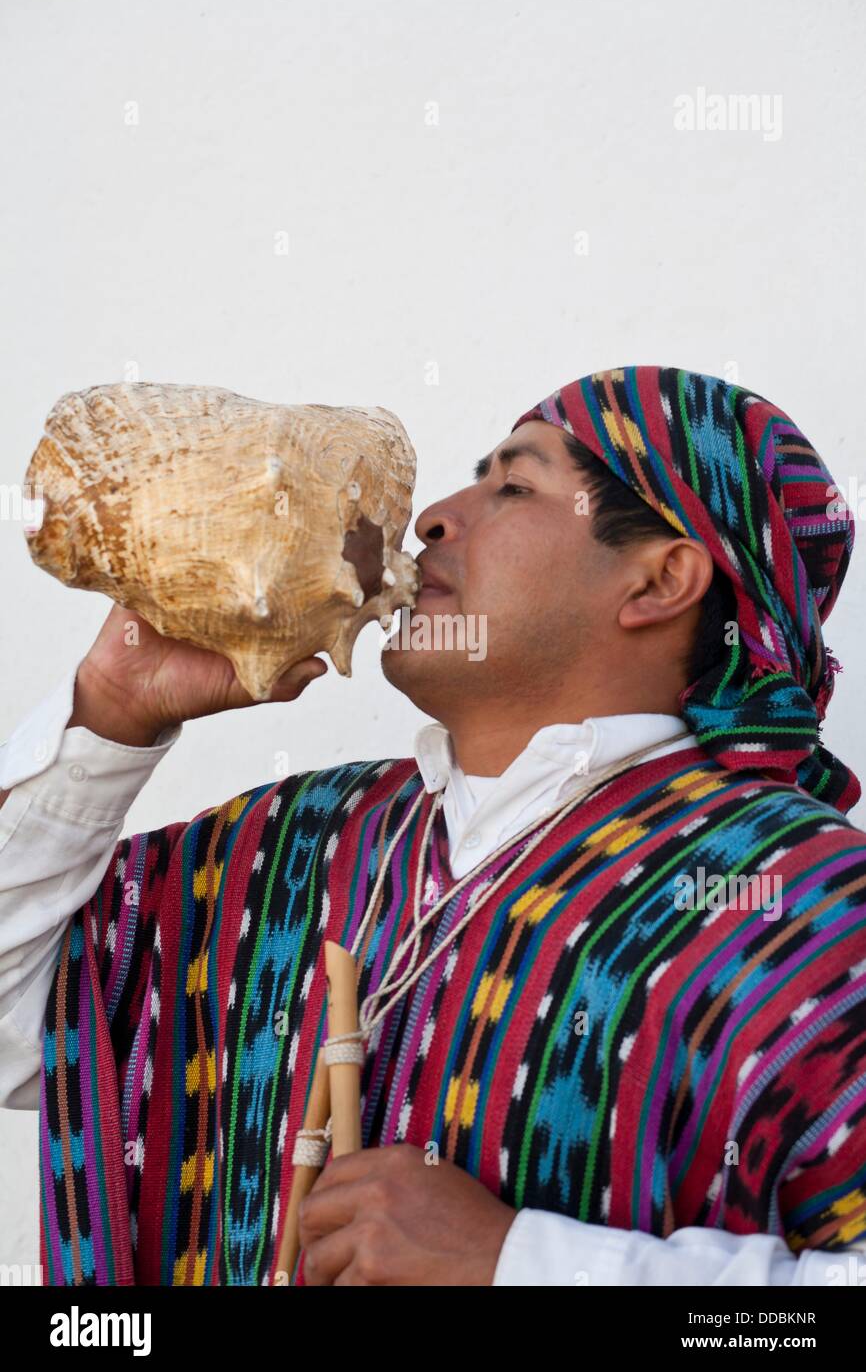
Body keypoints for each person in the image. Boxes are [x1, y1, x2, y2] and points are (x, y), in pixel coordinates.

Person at [1, 365, 864, 1287]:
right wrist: (114, 708)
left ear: (660, 580)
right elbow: (20, 1028)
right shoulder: (296, 843)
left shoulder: (800, 903)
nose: (434, 518)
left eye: (514, 485)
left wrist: (516, 1264)